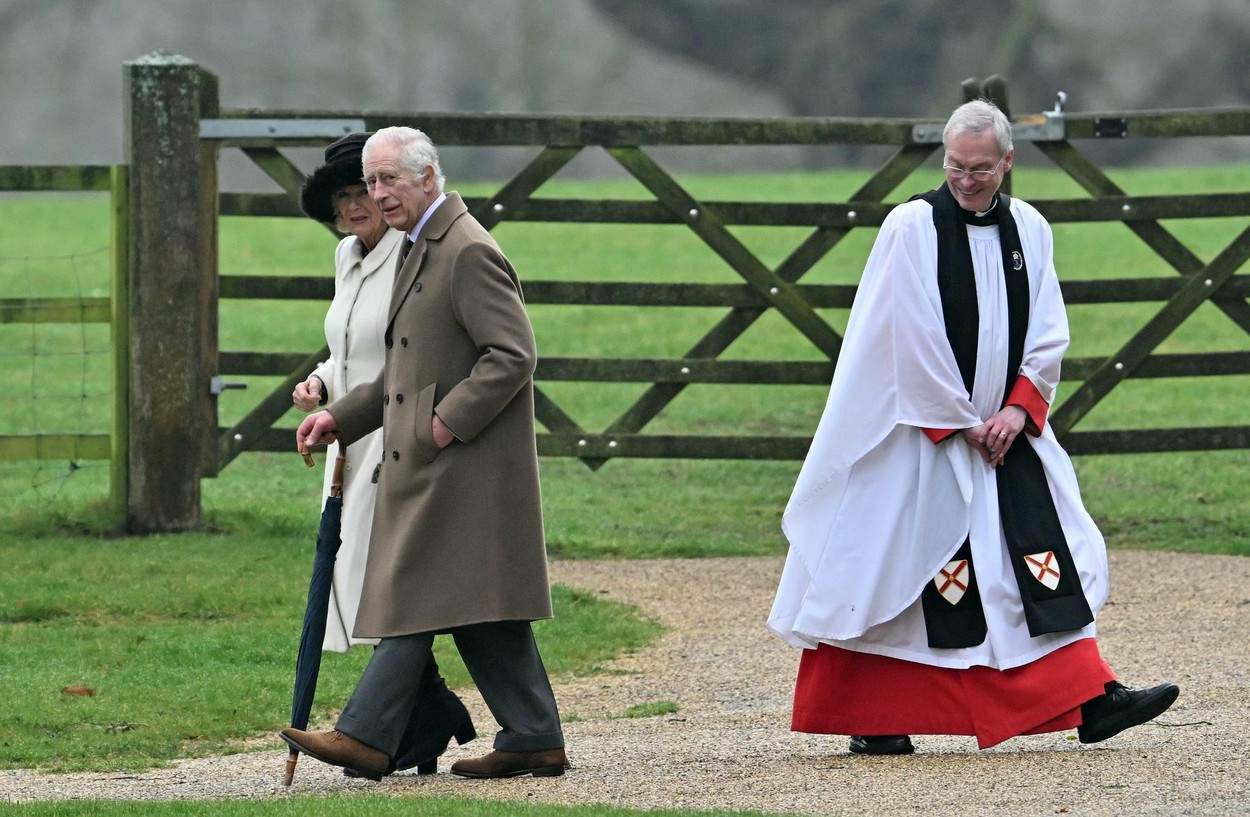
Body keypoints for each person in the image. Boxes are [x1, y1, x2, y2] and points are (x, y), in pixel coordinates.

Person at [767, 100, 1179, 755]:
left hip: (1006, 438)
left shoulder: (1032, 228)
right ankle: (873, 715)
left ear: (1008, 162)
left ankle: (1091, 698)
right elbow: (907, 332)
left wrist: (1017, 409)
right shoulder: (911, 228)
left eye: (980, 169)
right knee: (894, 574)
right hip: (921, 437)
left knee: (1033, 569)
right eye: (955, 166)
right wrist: (961, 422)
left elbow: (1048, 328)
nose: (965, 179)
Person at [286, 126, 567, 779]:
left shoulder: (465, 250)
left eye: (388, 180)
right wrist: (339, 416)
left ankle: (366, 734)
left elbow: (514, 354)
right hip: (434, 461)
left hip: (463, 463)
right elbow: (398, 375)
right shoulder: (419, 247)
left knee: (415, 588)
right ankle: (534, 735)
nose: (379, 194)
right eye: (372, 181)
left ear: (428, 177)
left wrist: (444, 423)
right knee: (474, 603)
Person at [290, 132, 476, 778]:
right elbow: (350, 344)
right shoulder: (348, 256)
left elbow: (415, 348)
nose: (356, 204)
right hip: (348, 429)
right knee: (371, 578)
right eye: (344, 195)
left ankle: (391, 723)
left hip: (400, 431)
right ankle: (428, 715)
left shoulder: (413, 252)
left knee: (388, 579)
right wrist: (320, 383)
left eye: (365, 188)